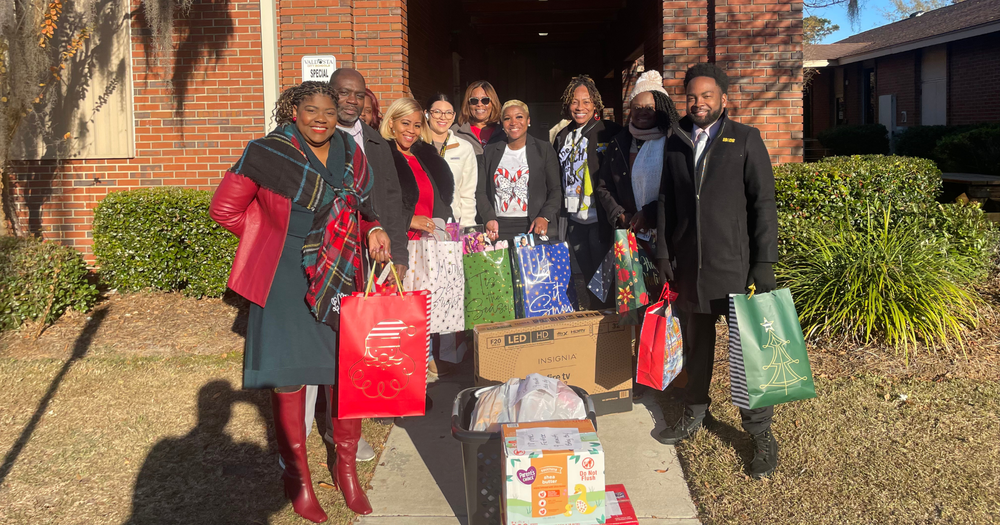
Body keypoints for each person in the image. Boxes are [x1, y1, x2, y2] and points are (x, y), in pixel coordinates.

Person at [210, 81, 387, 520]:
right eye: (311, 110)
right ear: (295, 112)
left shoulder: (352, 152)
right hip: (286, 277)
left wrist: (374, 229)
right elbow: (224, 210)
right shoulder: (265, 153)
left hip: (343, 271)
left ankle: (346, 472)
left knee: (346, 375)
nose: (322, 119)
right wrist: (271, 241)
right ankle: (298, 477)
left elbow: (358, 213)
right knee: (291, 377)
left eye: (329, 110)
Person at [655, 64, 780, 479]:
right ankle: (694, 411)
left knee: (748, 354)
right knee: (697, 343)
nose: (699, 102)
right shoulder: (676, 142)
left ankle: (759, 431)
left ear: (723, 99)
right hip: (691, 267)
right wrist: (663, 254)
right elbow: (666, 204)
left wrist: (764, 263)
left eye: (707, 95)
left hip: (735, 267)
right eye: (692, 96)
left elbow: (763, 204)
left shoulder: (745, 139)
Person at [328, 67, 404, 463]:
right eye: (344, 93)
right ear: (331, 94)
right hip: (335, 260)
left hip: (376, 257)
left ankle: (352, 425)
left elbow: (391, 199)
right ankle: (336, 427)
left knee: (365, 343)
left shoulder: (375, 141)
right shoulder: (320, 139)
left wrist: (401, 256)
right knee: (338, 343)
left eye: (358, 95)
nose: (351, 101)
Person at [553, 75, 623, 307]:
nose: (580, 107)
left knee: (606, 281)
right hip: (574, 220)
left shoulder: (610, 131)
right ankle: (595, 326)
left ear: (595, 104)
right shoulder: (562, 136)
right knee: (588, 277)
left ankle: (613, 330)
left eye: (586, 101)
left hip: (600, 218)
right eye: (575, 102)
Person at [477, 100, 561, 242]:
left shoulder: (544, 149)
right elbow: (481, 191)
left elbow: (556, 190)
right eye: (507, 118)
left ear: (528, 120)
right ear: (502, 123)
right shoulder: (491, 151)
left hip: (534, 226)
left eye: (519, 117)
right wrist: (488, 217)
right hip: (498, 228)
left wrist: (544, 216)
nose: (513, 122)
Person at [425, 93, 478, 228]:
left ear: (454, 116)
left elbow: (467, 194)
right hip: (422, 222)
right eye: (437, 112)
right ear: (427, 114)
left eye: (448, 113)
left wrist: (468, 228)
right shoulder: (416, 146)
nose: (443, 117)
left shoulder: (464, 148)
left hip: (452, 223)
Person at [453, 80, 505, 154]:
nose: (479, 104)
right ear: (468, 104)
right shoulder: (456, 132)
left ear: (493, 103)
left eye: (485, 100)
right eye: (474, 100)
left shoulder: (504, 130)